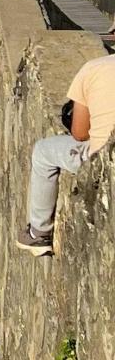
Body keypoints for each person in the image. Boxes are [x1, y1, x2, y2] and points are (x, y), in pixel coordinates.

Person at [19, 54, 115, 254]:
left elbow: (79, 133)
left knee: (43, 151)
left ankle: (39, 232)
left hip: (102, 160)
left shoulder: (94, 68)